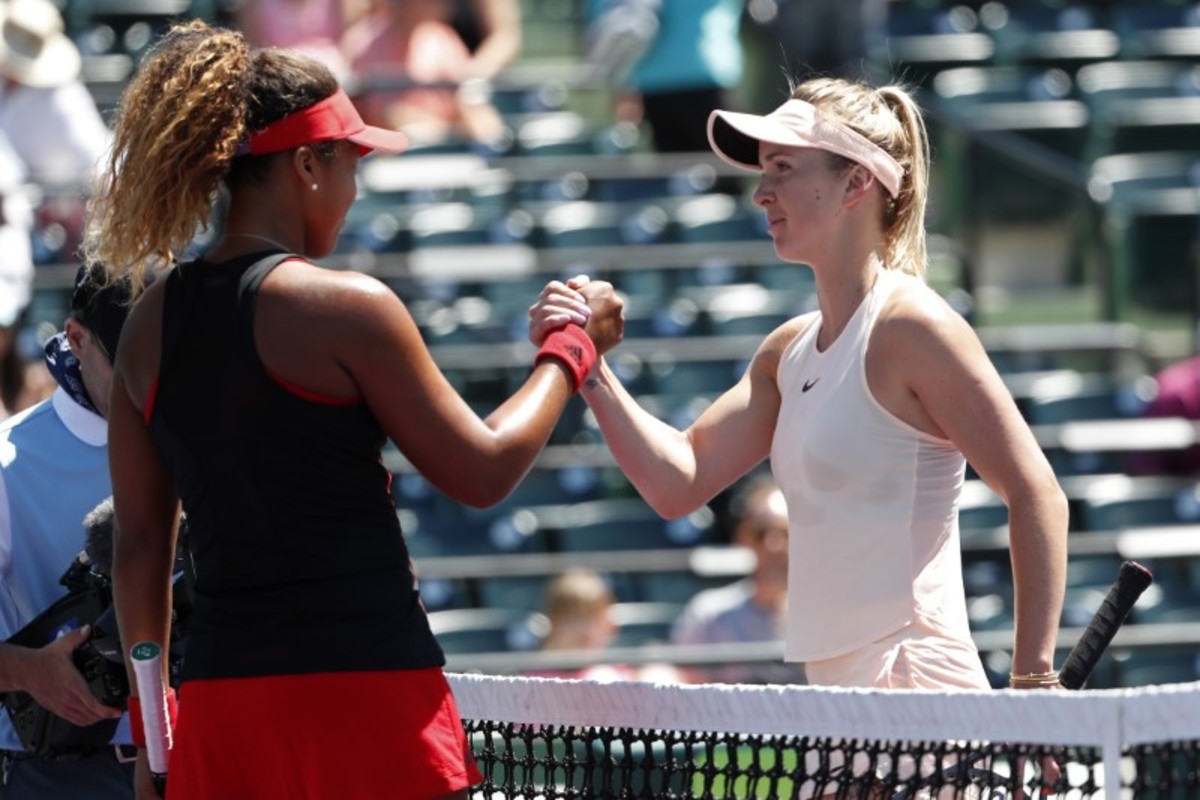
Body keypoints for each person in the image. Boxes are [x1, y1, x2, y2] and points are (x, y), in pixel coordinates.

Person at [81, 20, 621, 800]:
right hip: (369, 698)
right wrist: (572, 349)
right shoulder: (348, 308)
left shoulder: (147, 324)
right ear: (308, 164)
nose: (355, 189)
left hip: (224, 712)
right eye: (351, 162)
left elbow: (138, 548)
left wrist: (156, 742)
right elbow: (483, 470)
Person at [530, 75, 1068, 694]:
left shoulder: (913, 326)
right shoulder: (786, 351)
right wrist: (590, 367)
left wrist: (1034, 679)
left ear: (856, 182)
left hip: (915, 679)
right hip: (838, 692)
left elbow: (1036, 492)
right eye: (765, 171)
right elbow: (679, 482)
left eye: (783, 168)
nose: (762, 192)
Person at [0, 263, 136, 799]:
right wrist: (28, 671)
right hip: (57, 775)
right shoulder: (7, 466)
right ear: (76, 340)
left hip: (200, 759)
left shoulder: (208, 440)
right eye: (130, 363)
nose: (151, 384)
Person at [670, 473, 807, 685]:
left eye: (785, 533)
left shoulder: (822, 616)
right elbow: (681, 684)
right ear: (741, 538)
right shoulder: (708, 615)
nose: (773, 546)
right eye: (761, 534)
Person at [341, 0, 507, 147]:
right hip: (387, 159)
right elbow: (385, 118)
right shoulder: (362, 42)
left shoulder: (442, 38)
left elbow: (465, 101)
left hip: (443, 152)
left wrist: (481, 129)